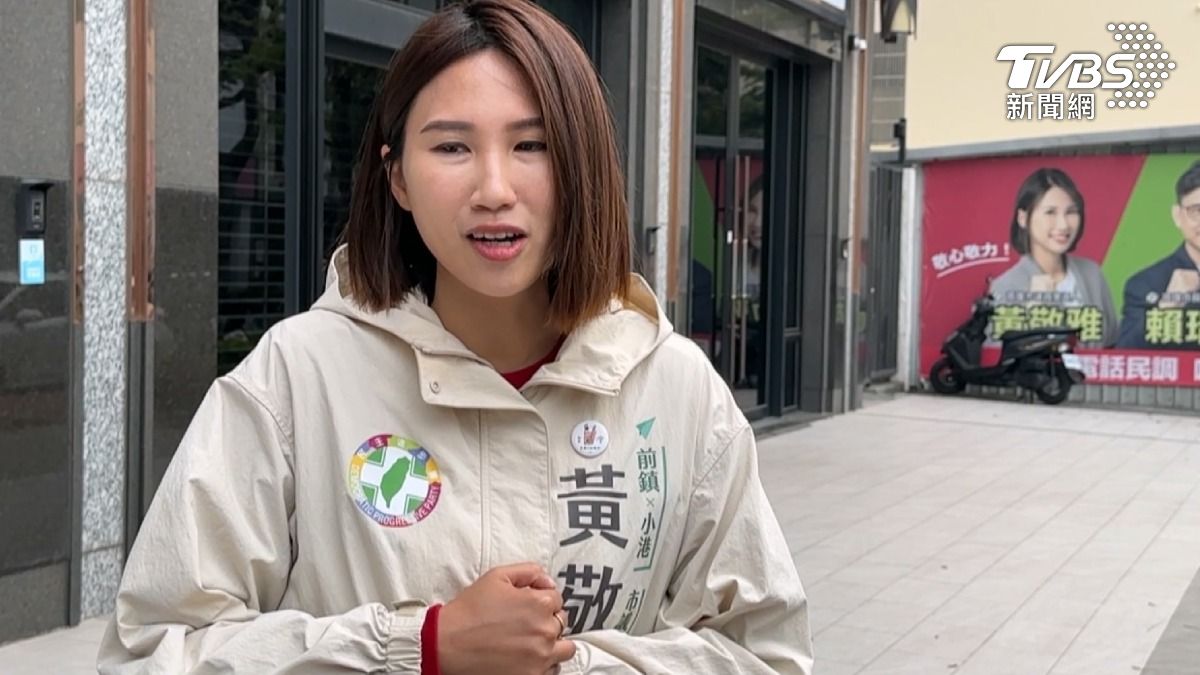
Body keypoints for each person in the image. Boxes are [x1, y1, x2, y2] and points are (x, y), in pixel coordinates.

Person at [98, 2, 812, 674]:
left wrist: (569, 663)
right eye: (451, 146)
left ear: (583, 169)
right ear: (398, 178)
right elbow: (153, 648)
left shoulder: (675, 388)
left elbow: (765, 650)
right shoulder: (298, 376)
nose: (494, 188)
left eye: (531, 144)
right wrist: (421, 646)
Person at [989, 167, 1118, 347]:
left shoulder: (1092, 273)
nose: (1063, 224)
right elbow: (998, 355)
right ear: (1023, 218)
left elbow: (1112, 342)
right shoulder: (1005, 287)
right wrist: (1034, 310)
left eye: (1071, 212)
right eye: (1050, 212)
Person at [1116, 160, 1200, 349]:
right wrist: (1168, 306)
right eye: (1198, 211)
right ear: (1177, 216)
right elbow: (1126, 355)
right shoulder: (1145, 285)